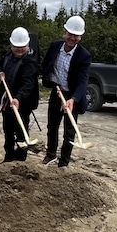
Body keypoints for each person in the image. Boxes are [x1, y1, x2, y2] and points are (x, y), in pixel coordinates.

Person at [41, 15, 91, 167]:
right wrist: (48, 79)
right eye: (70, 34)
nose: (72, 38)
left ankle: (64, 161)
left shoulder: (84, 56)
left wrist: (73, 99)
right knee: (52, 126)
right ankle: (50, 155)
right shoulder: (55, 46)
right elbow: (46, 64)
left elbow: (83, 82)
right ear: (64, 33)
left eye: (76, 35)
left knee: (69, 131)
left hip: (72, 96)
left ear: (80, 37)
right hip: (57, 92)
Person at [0, 27, 39, 162]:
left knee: (21, 130)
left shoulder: (31, 62)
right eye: (16, 46)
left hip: (23, 102)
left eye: (22, 46)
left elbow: (28, 84)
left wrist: (18, 98)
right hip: (7, 100)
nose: (19, 49)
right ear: (11, 45)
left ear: (27, 45)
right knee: (8, 129)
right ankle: (9, 156)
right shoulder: (8, 56)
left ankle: (20, 158)